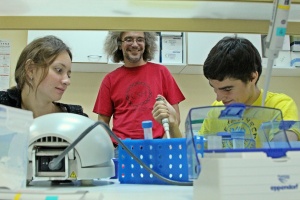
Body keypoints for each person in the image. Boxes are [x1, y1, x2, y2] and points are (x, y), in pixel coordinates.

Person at [153, 35, 299, 146]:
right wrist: (173, 125)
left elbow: (285, 152)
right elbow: (195, 156)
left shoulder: (280, 105)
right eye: (215, 89)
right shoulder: (216, 111)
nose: (219, 98)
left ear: (252, 77)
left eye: (227, 89)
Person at [93, 31, 185, 147]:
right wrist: (109, 149)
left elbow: (175, 116)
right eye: (129, 39)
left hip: (158, 146)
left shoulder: (162, 73)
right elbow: (102, 122)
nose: (135, 44)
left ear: (146, 44)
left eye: (140, 39)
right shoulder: (110, 79)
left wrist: (163, 144)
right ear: (119, 45)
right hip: (122, 149)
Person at [0, 35, 88, 118]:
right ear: (31, 69)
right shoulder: (2, 105)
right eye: (58, 70)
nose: (67, 81)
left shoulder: (75, 118)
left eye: (68, 75)